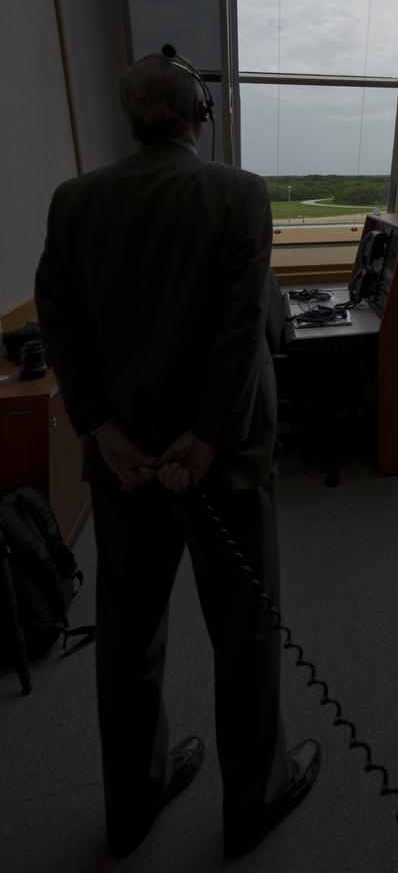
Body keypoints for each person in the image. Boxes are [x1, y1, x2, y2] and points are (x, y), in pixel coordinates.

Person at [34, 53, 320, 860]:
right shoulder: (238, 193)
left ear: (131, 119)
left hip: (122, 468)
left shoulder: (74, 201)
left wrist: (102, 429)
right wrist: (207, 436)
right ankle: (252, 798)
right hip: (221, 464)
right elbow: (242, 331)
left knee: (127, 634)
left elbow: (60, 325)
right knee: (245, 633)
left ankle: (133, 800)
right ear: (202, 112)